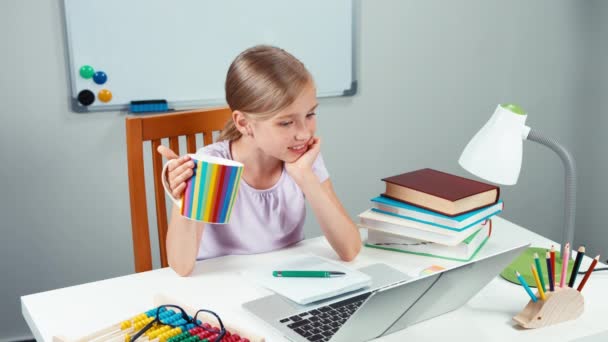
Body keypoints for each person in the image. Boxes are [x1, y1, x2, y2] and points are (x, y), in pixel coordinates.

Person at [158, 45, 361, 276]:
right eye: (286, 123)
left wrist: (305, 176)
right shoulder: (213, 166)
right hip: (225, 287)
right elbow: (181, 267)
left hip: (286, 282)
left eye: (310, 114)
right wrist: (184, 199)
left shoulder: (302, 159)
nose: (304, 133)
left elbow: (350, 249)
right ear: (244, 123)